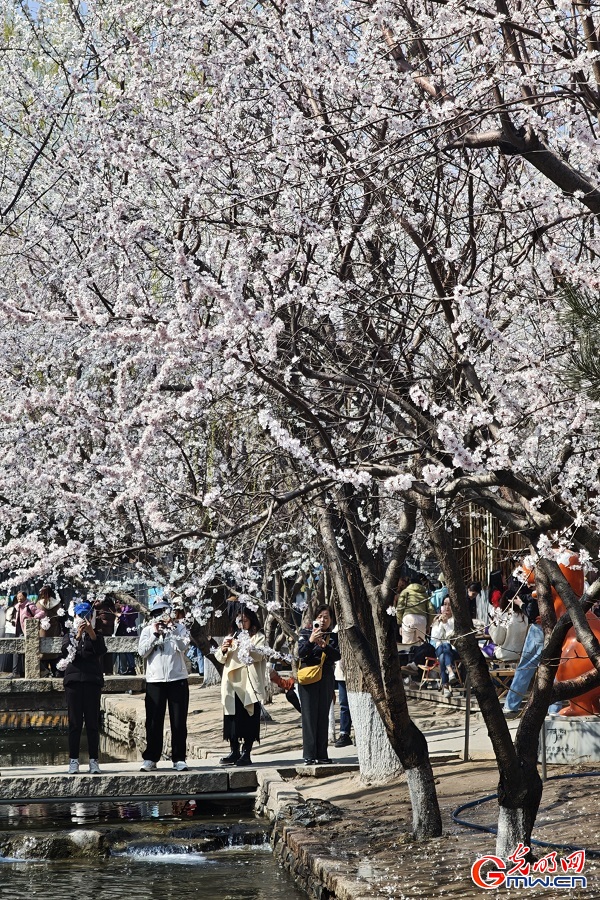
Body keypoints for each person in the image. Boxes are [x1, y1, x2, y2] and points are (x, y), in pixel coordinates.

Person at [138, 601, 190, 771]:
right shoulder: (147, 630)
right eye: (157, 614)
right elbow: (142, 652)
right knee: (153, 721)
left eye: (164, 613)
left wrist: (172, 628)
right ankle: (151, 758)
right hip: (155, 680)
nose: (161, 617)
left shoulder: (179, 628)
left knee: (178, 720)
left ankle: (179, 758)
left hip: (177, 679)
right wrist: (154, 634)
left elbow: (183, 647)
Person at [215, 608, 267, 766]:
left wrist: (246, 646)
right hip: (231, 683)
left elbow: (259, 655)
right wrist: (224, 649)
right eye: (239, 621)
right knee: (232, 719)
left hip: (248, 683)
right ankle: (234, 750)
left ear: (251, 621)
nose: (242, 624)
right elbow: (220, 657)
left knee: (249, 718)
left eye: (245, 620)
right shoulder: (231, 637)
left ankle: (246, 752)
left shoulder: (258, 637)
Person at [59, 600, 106, 775]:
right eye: (80, 616)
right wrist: (78, 637)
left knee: (92, 722)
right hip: (73, 683)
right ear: (75, 616)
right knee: (75, 723)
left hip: (92, 681)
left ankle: (94, 760)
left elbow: (100, 651)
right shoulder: (68, 634)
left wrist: (91, 633)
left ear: (91, 617)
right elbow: (67, 653)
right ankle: (73, 761)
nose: (83, 619)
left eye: (87, 616)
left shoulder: (97, 635)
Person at [297, 604, 341, 765]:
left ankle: (322, 754)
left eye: (326, 617)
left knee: (323, 715)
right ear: (315, 618)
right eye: (320, 617)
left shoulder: (333, 636)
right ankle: (309, 755)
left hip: (326, 679)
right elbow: (301, 653)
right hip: (308, 679)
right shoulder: (305, 633)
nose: (323, 621)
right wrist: (310, 641)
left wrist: (324, 645)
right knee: (309, 716)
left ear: (331, 620)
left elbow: (337, 656)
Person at [430, 596, 459, 697]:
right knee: (444, 647)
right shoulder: (437, 620)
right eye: (445, 604)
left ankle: (445, 686)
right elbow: (435, 638)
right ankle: (450, 671)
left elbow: (453, 638)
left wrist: (446, 624)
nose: (447, 607)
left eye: (449, 605)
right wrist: (440, 623)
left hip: (454, 651)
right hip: (439, 648)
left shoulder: (456, 621)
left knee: (443, 655)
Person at [12, 591, 44, 677]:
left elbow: (41, 613)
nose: (18, 598)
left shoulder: (30, 606)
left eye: (20, 597)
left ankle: (16, 673)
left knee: (21, 651)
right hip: (18, 631)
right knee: (21, 651)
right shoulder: (18, 606)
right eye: (17, 597)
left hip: (26, 632)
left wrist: (33, 618)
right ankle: (44, 670)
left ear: (25, 597)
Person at [37, 585, 67, 677]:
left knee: (43, 652)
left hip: (43, 630)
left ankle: (45, 671)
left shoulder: (39, 604)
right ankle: (56, 671)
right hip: (54, 629)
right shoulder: (57, 603)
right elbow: (61, 616)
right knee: (54, 652)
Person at [396, 577, 434, 644]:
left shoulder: (405, 592)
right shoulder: (425, 594)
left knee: (406, 645)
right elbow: (431, 610)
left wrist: (400, 623)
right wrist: (428, 625)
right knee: (420, 645)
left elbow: (399, 608)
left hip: (408, 618)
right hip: (422, 620)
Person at [93, 595, 117, 675]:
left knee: (100, 652)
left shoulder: (101, 608)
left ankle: (100, 670)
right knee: (108, 653)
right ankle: (108, 671)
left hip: (101, 631)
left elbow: (95, 606)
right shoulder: (112, 608)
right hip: (109, 632)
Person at [115, 602, 138, 675]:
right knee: (127, 650)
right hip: (128, 631)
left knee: (128, 650)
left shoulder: (129, 608)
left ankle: (132, 667)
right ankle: (130, 667)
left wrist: (119, 615)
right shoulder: (128, 608)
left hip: (128, 631)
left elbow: (126, 620)